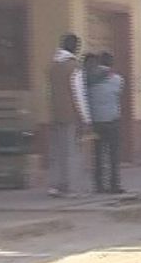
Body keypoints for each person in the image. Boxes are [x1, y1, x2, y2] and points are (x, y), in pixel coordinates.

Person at [48, 34, 92, 198]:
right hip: (71, 115)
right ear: (75, 47)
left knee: (57, 152)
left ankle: (55, 186)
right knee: (72, 152)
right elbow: (79, 94)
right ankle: (73, 188)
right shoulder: (74, 68)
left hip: (55, 114)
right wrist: (86, 119)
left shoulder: (53, 66)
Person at [87, 52, 125, 194]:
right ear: (112, 63)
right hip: (112, 121)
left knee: (98, 154)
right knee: (113, 155)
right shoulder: (118, 79)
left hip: (96, 122)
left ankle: (99, 185)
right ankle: (114, 184)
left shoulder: (90, 80)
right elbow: (117, 94)